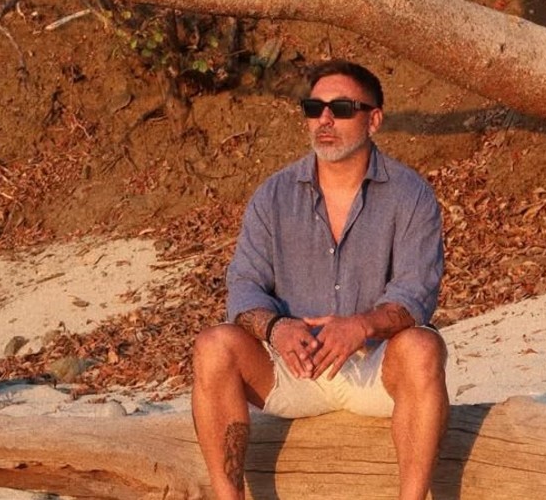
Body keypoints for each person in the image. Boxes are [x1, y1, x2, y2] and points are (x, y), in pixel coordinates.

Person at [191, 59, 448, 500]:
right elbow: (245, 285)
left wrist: (360, 326)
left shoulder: (411, 195)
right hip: (295, 367)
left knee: (424, 347)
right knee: (213, 346)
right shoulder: (274, 195)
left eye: (342, 108)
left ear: (374, 120)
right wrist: (277, 328)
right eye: (314, 108)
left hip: (374, 370)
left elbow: (416, 293)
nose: (324, 120)